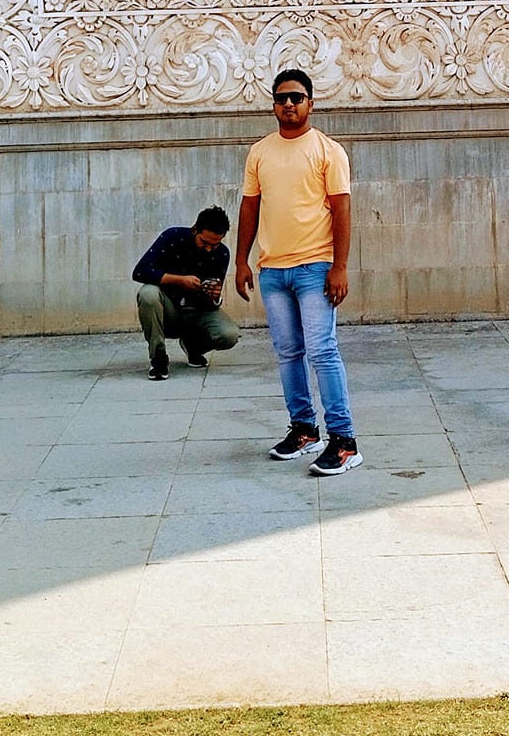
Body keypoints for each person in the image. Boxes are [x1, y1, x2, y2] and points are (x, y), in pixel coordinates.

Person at [233, 68, 361, 476]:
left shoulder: (328, 151)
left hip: (315, 268)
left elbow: (341, 209)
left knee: (322, 351)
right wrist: (240, 260)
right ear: (273, 105)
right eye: (281, 98)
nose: (288, 104)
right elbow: (250, 207)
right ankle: (305, 430)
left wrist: (340, 266)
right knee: (288, 352)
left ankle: (344, 442)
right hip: (273, 270)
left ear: (310, 103)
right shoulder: (259, 152)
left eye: (296, 98)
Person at [132, 206, 239, 380]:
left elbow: (212, 301)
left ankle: (194, 347)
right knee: (148, 293)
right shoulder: (172, 237)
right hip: (168, 309)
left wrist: (215, 297)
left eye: (215, 244)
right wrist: (179, 280)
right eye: (204, 242)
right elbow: (140, 271)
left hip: (197, 310)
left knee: (230, 335)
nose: (209, 249)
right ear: (195, 229)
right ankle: (158, 358)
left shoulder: (221, 253)